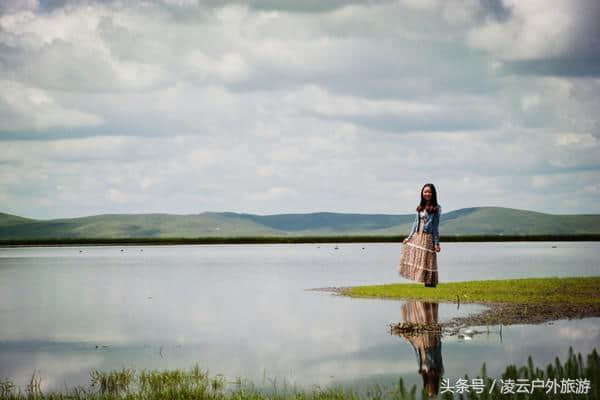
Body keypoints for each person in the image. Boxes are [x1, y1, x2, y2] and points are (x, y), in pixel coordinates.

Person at [398, 183, 441, 287]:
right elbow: (415, 223)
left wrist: (436, 243)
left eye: (429, 192)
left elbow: (435, 227)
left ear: (433, 193)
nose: (427, 193)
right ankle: (423, 283)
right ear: (422, 193)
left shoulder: (436, 208)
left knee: (428, 261)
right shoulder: (420, 207)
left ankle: (430, 285)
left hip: (428, 238)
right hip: (418, 236)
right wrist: (409, 238)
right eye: (425, 191)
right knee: (418, 259)